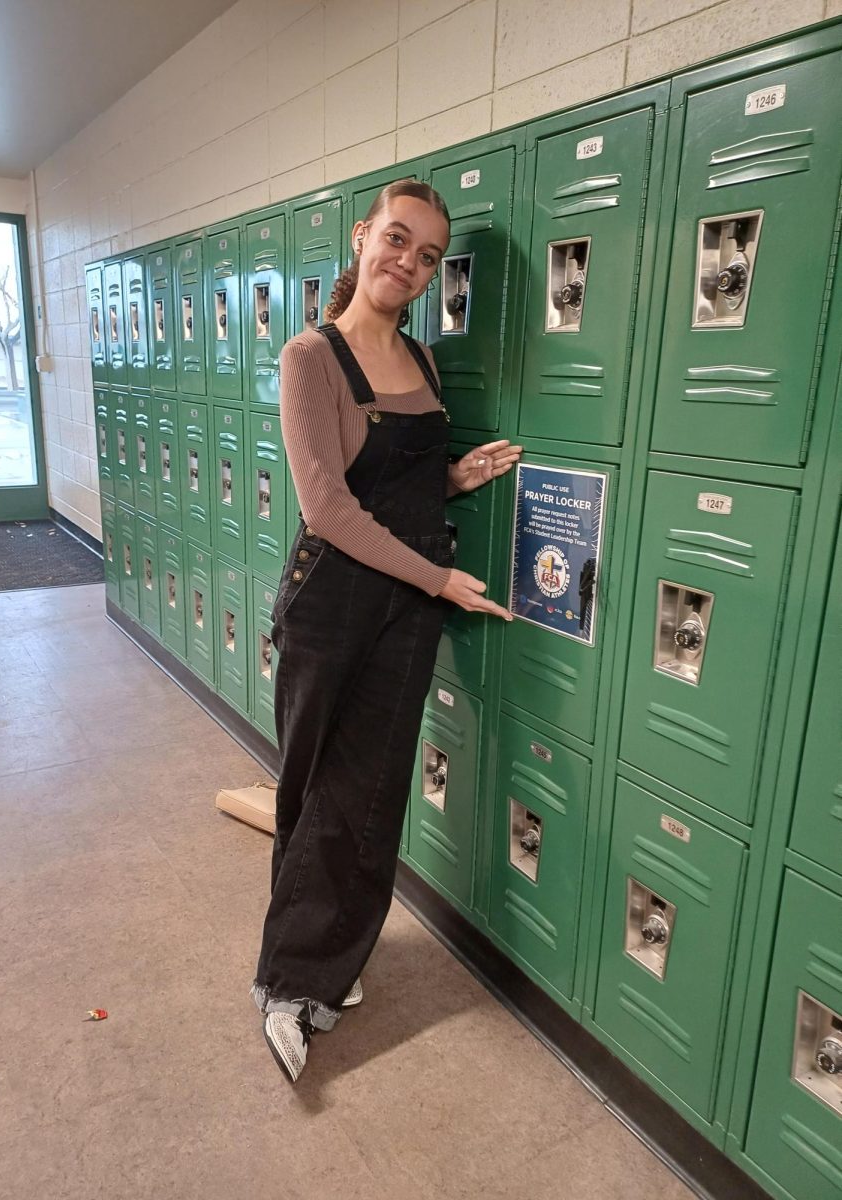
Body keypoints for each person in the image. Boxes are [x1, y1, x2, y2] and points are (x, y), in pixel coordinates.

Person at [251, 179, 522, 1083]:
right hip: (332, 598)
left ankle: (334, 957)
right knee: (312, 782)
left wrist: (454, 480)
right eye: (397, 241)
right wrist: (443, 575)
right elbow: (329, 509)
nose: (408, 263)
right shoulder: (310, 357)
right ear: (362, 237)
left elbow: (394, 491)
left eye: (429, 256)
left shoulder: (427, 365)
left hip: (402, 608)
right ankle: (290, 980)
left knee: (371, 794)